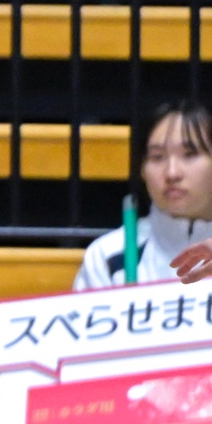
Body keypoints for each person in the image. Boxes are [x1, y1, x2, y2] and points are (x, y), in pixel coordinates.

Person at [75, 99, 212, 289]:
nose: (172, 173)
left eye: (189, 154)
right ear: (141, 169)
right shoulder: (107, 257)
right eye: (157, 157)